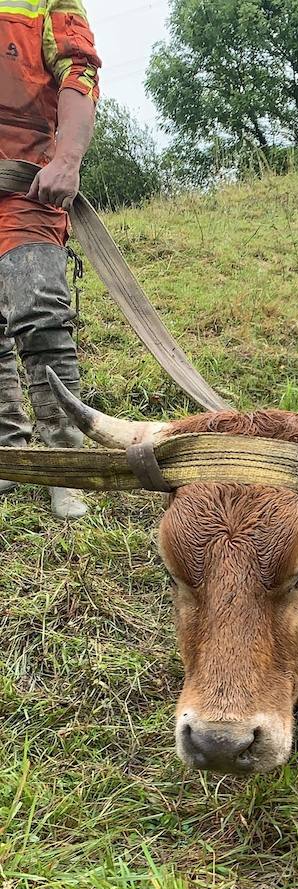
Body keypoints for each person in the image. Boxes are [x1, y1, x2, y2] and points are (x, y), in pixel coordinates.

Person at [0, 0, 100, 520]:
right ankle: (9, 457)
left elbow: (79, 69)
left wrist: (67, 159)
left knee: (38, 314)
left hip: (26, 183)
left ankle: (64, 466)